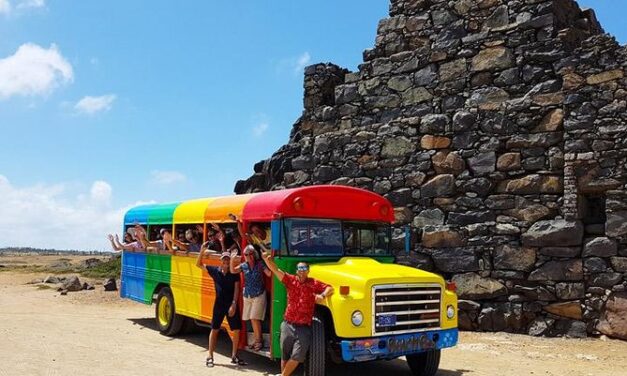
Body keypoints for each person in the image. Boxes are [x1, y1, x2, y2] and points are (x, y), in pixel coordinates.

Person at [261, 250, 333, 376]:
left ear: (308, 270)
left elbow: (329, 288)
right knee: (285, 355)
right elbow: (276, 270)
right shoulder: (290, 280)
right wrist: (267, 260)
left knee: (298, 355)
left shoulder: (313, 283)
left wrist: (322, 295)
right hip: (288, 323)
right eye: (299, 268)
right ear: (296, 270)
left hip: (304, 326)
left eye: (304, 268)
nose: (302, 270)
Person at [195, 243, 246, 367]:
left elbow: (237, 289)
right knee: (215, 329)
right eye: (224, 260)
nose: (226, 263)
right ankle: (210, 355)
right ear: (221, 261)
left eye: (228, 260)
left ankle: (234, 355)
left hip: (230, 304)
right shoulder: (214, 271)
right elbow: (198, 264)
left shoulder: (234, 274)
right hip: (219, 304)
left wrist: (234, 304)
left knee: (236, 329)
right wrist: (202, 251)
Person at [230, 245, 271, 351]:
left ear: (255, 254)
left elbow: (269, 273)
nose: (249, 256)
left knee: (254, 318)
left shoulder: (260, 264)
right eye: (246, 254)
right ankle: (256, 340)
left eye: (251, 254)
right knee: (250, 318)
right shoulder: (244, 266)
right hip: (247, 295)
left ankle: (258, 341)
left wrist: (266, 259)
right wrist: (232, 259)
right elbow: (233, 271)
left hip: (259, 294)